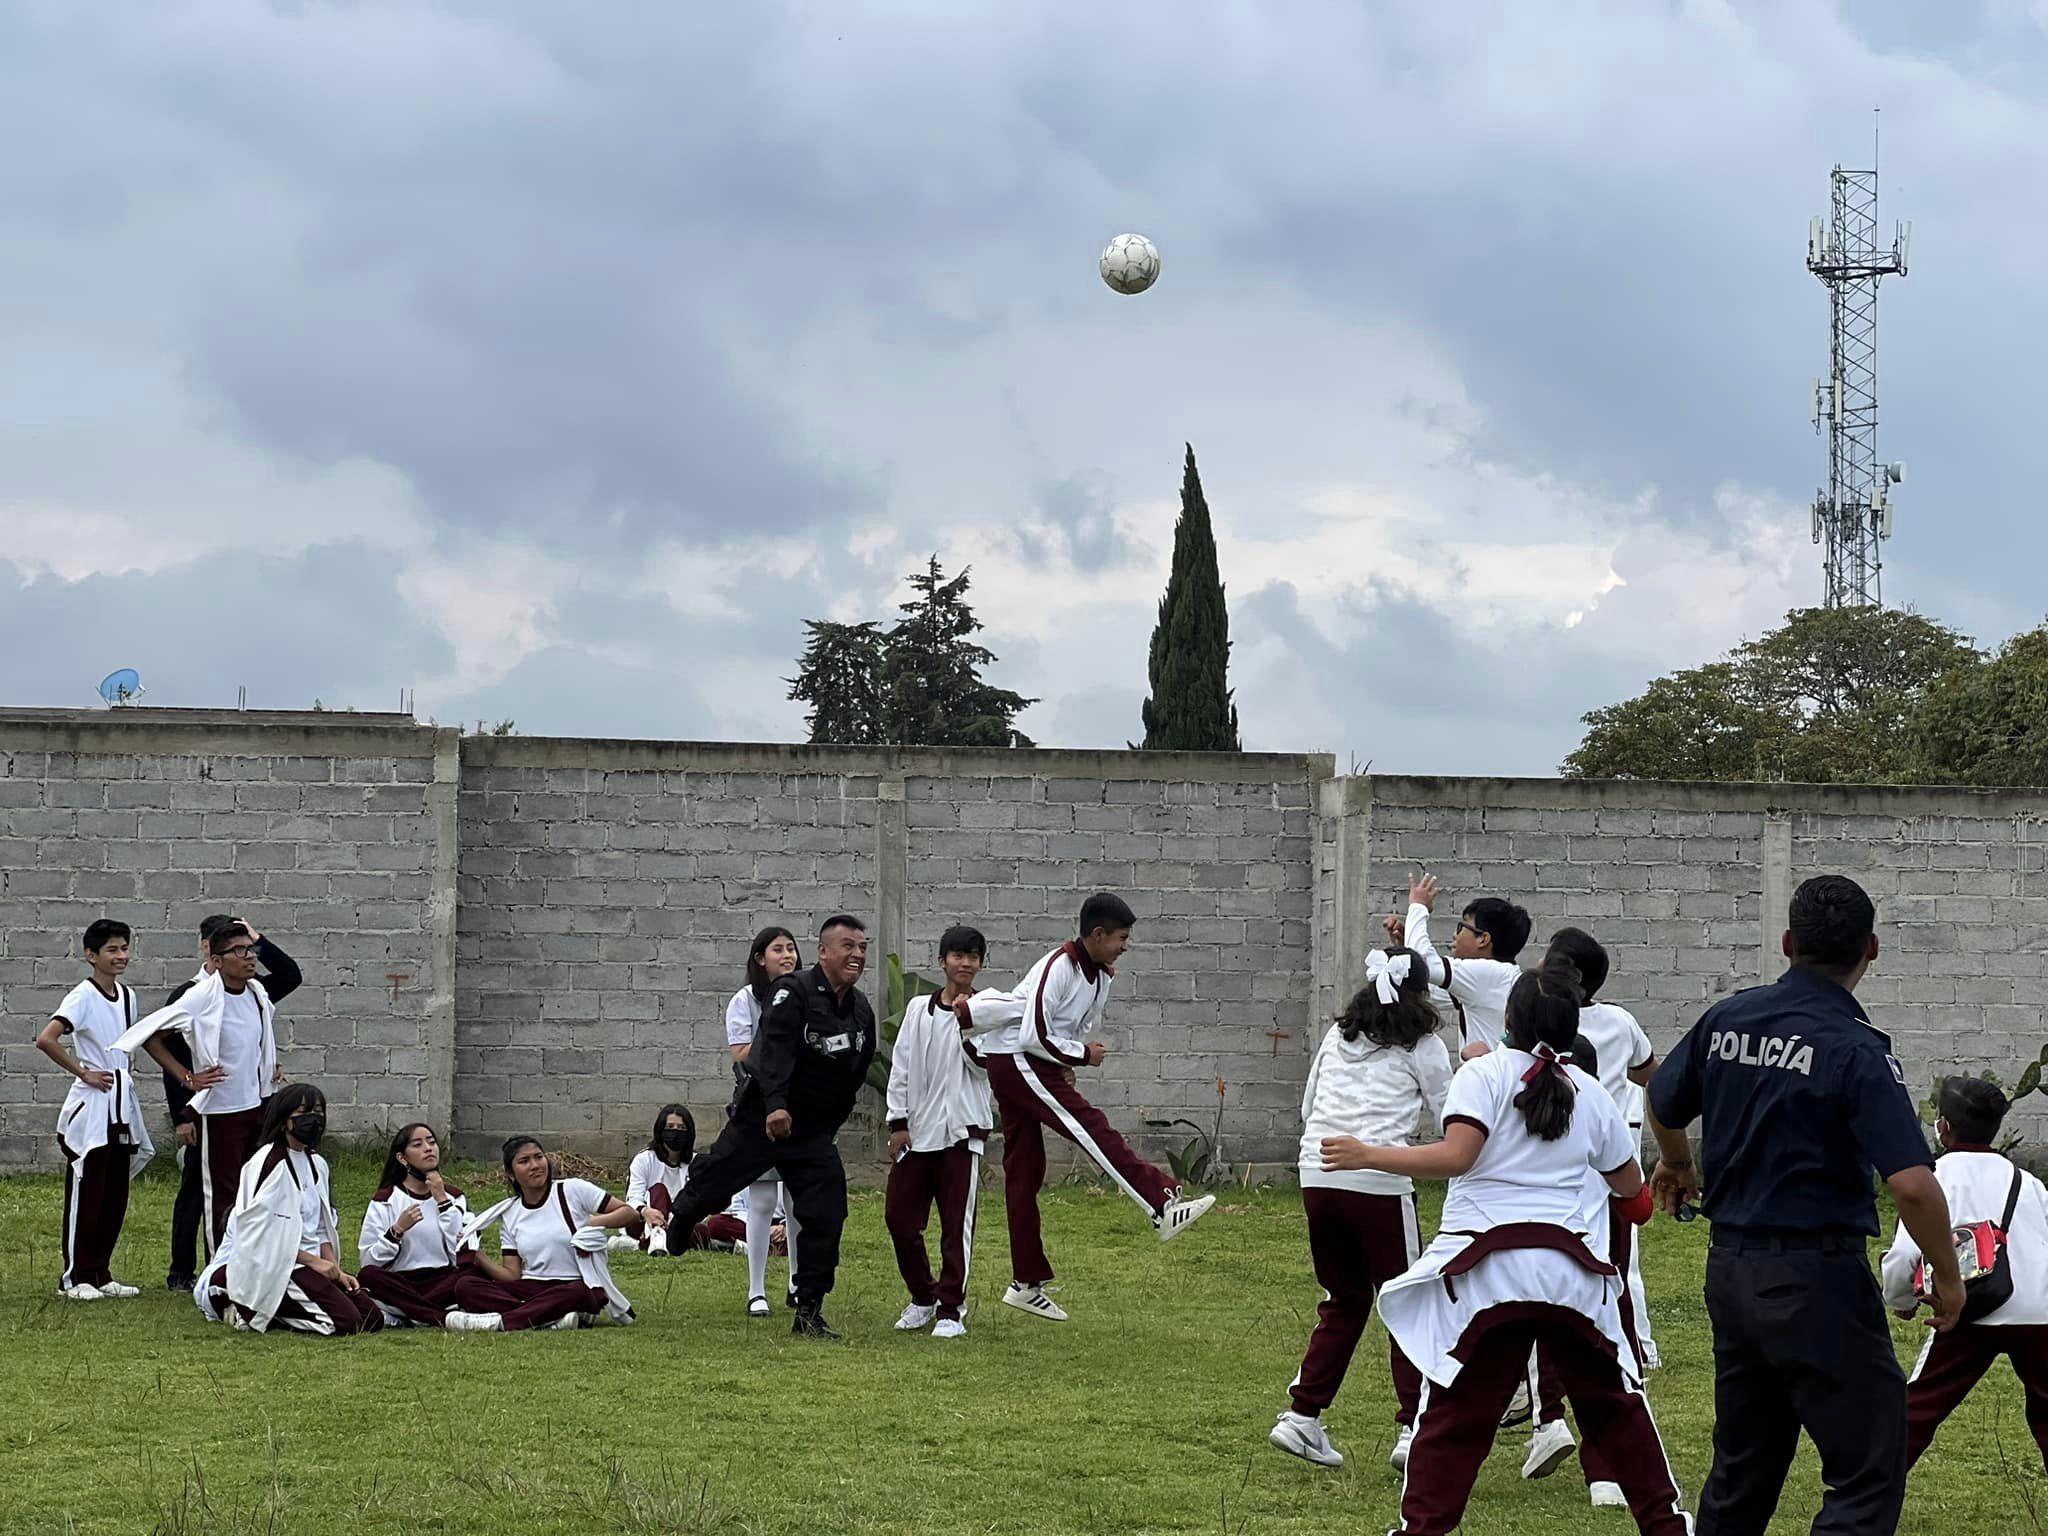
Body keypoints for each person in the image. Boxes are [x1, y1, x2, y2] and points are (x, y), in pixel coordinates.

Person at [1647, 873, 1964, 1536]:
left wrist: (1677, 1161)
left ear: (1788, 942)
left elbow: (1664, 1098)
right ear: (1870, 951)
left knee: (1742, 1470)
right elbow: (1910, 1183)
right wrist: (1949, 1275)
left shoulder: (1726, 1020)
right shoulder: (1856, 1050)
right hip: (1817, 1281)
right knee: (1868, 1469)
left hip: (1731, 1272)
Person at [1330, 956, 1691, 1536]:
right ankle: (1667, 1524)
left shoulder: (1483, 1075)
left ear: (1508, 1020)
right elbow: (1636, 1203)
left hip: (1486, 1277)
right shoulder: (1592, 1093)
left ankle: (1420, 1529)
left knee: (1452, 1415)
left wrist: (1370, 1153)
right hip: (1571, 1278)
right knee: (1616, 1406)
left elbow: (1458, 1156)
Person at [958, 892, 1215, 1323]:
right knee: (1091, 1127)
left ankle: (1025, 1283)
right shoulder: (1058, 966)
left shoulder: (1101, 976)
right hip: (1016, 1060)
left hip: (1033, 1062)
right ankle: (1162, 1203)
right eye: (1121, 938)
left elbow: (1064, 1029)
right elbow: (1032, 1034)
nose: (1125, 946)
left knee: (1025, 1169)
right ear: (1097, 935)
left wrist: (1067, 1060)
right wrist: (1079, 1055)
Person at [1269, 947, 1450, 1472]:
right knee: (1405, 1302)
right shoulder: (1425, 1045)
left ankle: (1303, 1415)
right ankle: (1414, 1425)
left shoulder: (1338, 1034)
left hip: (1317, 1172)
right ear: (1421, 994)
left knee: (1343, 1298)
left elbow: (1309, 1106)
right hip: (1378, 1181)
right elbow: (1453, 1117)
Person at [660, 915, 877, 1339]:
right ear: (824, 952)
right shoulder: (791, 993)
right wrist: (776, 1106)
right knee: (717, 1180)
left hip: (811, 1134)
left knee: (826, 1215)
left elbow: (856, 1069)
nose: (857, 955)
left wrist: (828, 1124)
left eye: (862, 948)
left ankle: (809, 1309)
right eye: (848, 946)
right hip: (764, 1120)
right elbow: (772, 1050)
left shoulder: (860, 1009)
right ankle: (683, 1216)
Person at [1882, 1076, 2048, 1472]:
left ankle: (1872, 1493)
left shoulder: (1933, 1177)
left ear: (1943, 1126)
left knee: (1919, 1408)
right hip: (2039, 1312)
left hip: (1970, 1306)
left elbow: (1906, 1253)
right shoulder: (2027, 1182)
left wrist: (1901, 1300)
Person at [133, 920, 293, 1255]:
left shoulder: (256, 992)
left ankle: (251, 1264)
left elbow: (289, 977)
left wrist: (267, 1065)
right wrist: (188, 1079)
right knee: (221, 1195)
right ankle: (218, 1275)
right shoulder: (199, 997)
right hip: (220, 1111)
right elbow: (150, 1037)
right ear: (216, 960)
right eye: (239, 951)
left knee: (257, 1188)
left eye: (251, 949)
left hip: (258, 1106)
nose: (249, 957)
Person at [196, 1084, 382, 1336]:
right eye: (304, 1113)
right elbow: (262, 1234)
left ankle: (278, 1306)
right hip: (278, 1263)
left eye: (318, 1112)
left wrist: (333, 1269)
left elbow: (321, 1224)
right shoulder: (267, 1163)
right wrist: (313, 1262)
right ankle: (245, 1303)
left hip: (310, 1264)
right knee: (346, 1323)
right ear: (284, 1120)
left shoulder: (317, 1164)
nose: (314, 1120)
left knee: (372, 1319)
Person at [36, 919, 154, 1300]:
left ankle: (101, 1272)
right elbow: (47, 1038)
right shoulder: (82, 996)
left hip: (121, 1102)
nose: (121, 956)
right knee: (87, 1190)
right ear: (92, 956)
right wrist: (83, 1071)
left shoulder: (128, 996)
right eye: (112, 950)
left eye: (124, 949)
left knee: (114, 1192)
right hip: (93, 1106)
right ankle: (75, 1277)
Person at [885, 926, 994, 1340]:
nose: (965, 964)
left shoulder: (989, 1009)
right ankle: (922, 1297)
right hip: (918, 1133)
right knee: (899, 1218)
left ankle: (951, 1308)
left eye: (973, 957)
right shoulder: (917, 1010)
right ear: (942, 961)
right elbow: (902, 1066)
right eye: (957, 956)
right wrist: (898, 1122)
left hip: (962, 1133)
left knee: (955, 1226)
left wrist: (968, 1020)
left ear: (981, 964)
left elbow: (984, 1063)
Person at [454, 1136, 639, 1332]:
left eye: (538, 1157)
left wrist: (591, 1223)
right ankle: (550, 1318)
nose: (535, 1165)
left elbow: (629, 1213)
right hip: (531, 1288)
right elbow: (512, 1275)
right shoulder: (511, 1213)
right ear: (511, 1174)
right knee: (466, 1287)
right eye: (524, 1161)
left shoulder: (572, 1189)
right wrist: (479, 1256)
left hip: (572, 1284)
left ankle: (502, 1322)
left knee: (580, 1293)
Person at [724, 926, 804, 1315]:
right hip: (759, 1107)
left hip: (801, 1107)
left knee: (797, 1198)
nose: (787, 955)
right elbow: (740, 1054)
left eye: (791, 949)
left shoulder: (807, 994)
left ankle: (796, 1280)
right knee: (761, 1199)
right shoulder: (745, 1001)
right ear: (760, 958)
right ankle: (757, 1289)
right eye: (778, 949)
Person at [357, 1122, 490, 1331]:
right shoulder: (386, 1200)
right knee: (368, 1277)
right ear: (402, 1158)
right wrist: (396, 1230)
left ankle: (408, 1313)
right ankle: (441, 1316)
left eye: (432, 1142)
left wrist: (443, 1202)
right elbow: (368, 1261)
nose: (428, 1148)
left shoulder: (455, 1197)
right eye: (417, 1145)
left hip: (443, 1279)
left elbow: (461, 1255)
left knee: (473, 1273)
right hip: (402, 1282)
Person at [1389, 874, 1530, 1052]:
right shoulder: (1498, 976)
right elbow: (1428, 993)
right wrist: (1406, 947)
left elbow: (1426, 963)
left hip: (1489, 1078)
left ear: (1483, 939)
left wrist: (1418, 906)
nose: (1455, 935)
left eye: (1462, 927)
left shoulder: (1489, 974)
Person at [613, 1104, 736, 1255]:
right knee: (659, 1190)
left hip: (679, 1224)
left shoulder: (697, 1163)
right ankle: (656, 1237)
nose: (675, 1132)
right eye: (670, 1127)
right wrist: (646, 1211)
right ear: (660, 1130)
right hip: (644, 1221)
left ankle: (640, 1244)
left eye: (681, 1128)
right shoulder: (644, 1159)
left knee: (702, 1233)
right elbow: (633, 1199)